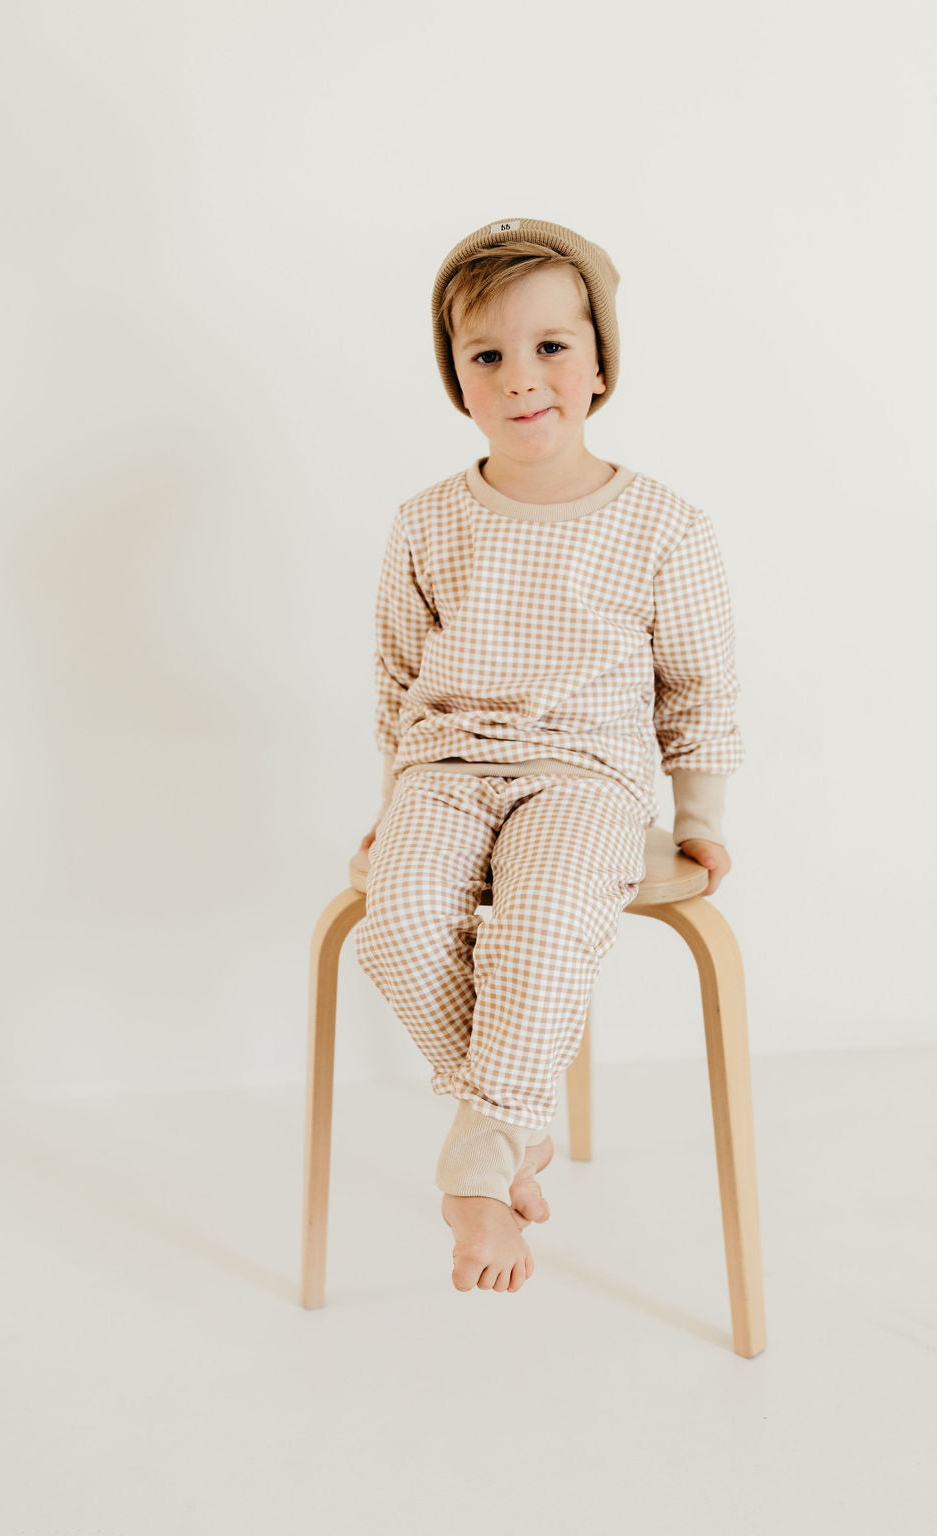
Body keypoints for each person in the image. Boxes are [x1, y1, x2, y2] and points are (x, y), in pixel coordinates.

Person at [352, 217, 745, 1297]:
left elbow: (697, 683)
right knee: (397, 913)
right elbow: (396, 677)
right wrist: (395, 799)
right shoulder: (428, 521)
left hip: (587, 773)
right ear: (457, 382)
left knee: (540, 920)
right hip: (446, 765)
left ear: (601, 362)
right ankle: (511, 1117)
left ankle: (477, 1165)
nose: (523, 380)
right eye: (488, 357)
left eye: (552, 348)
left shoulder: (661, 524)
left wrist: (699, 813)